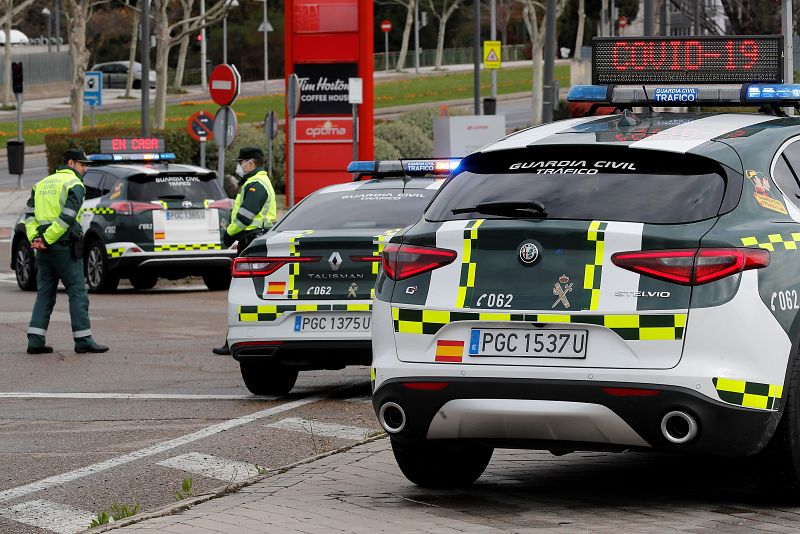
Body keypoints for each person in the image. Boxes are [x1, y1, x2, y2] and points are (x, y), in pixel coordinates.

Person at [25, 149, 109, 354]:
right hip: (63, 246)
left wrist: (36, 239)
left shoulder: (40, 184)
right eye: (82, 164)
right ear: (71, 163)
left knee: (45, 293)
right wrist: (47, 238)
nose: (85, 169)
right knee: (77, 292)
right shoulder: (74, 184)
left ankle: (35, 341)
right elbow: (67, 218)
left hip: (43, 248)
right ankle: (83, 340)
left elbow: (29, 216)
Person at [212, 147, 277, 356]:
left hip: (251, 243)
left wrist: (228, 234)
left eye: (241, 162)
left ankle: (236, 339)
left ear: (250, 163)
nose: (239, 166)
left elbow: (244, 217)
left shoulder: (256, 184)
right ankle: (241, 337)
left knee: (242, 290)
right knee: (250, 290)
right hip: (254, 242)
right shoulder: (256, 182)